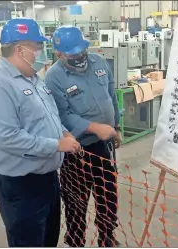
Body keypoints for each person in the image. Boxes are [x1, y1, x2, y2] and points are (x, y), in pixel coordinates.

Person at [0, 18, 81, 247]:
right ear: (20, 49)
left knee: (47, 239)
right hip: (21, 185)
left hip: (47, 178)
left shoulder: (33, 79)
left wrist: (63, 133)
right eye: (37, 47)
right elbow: (6, 137)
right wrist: (56, 145)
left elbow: (49, 114)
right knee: (28, 241)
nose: (41, 53)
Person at [44, 26, 121, 247]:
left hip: (103, 147)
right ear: (59, 54)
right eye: (72, 54)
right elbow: (60, 115)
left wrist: (115, 125)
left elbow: (111, 95)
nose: (79, 57)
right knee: (76, 202)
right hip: (75, 150)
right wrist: (93, 127)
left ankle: (107, 235)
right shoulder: (54, 77)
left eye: (81, 51)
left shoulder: (99, 62)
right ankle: (76, 240)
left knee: (108, 196)